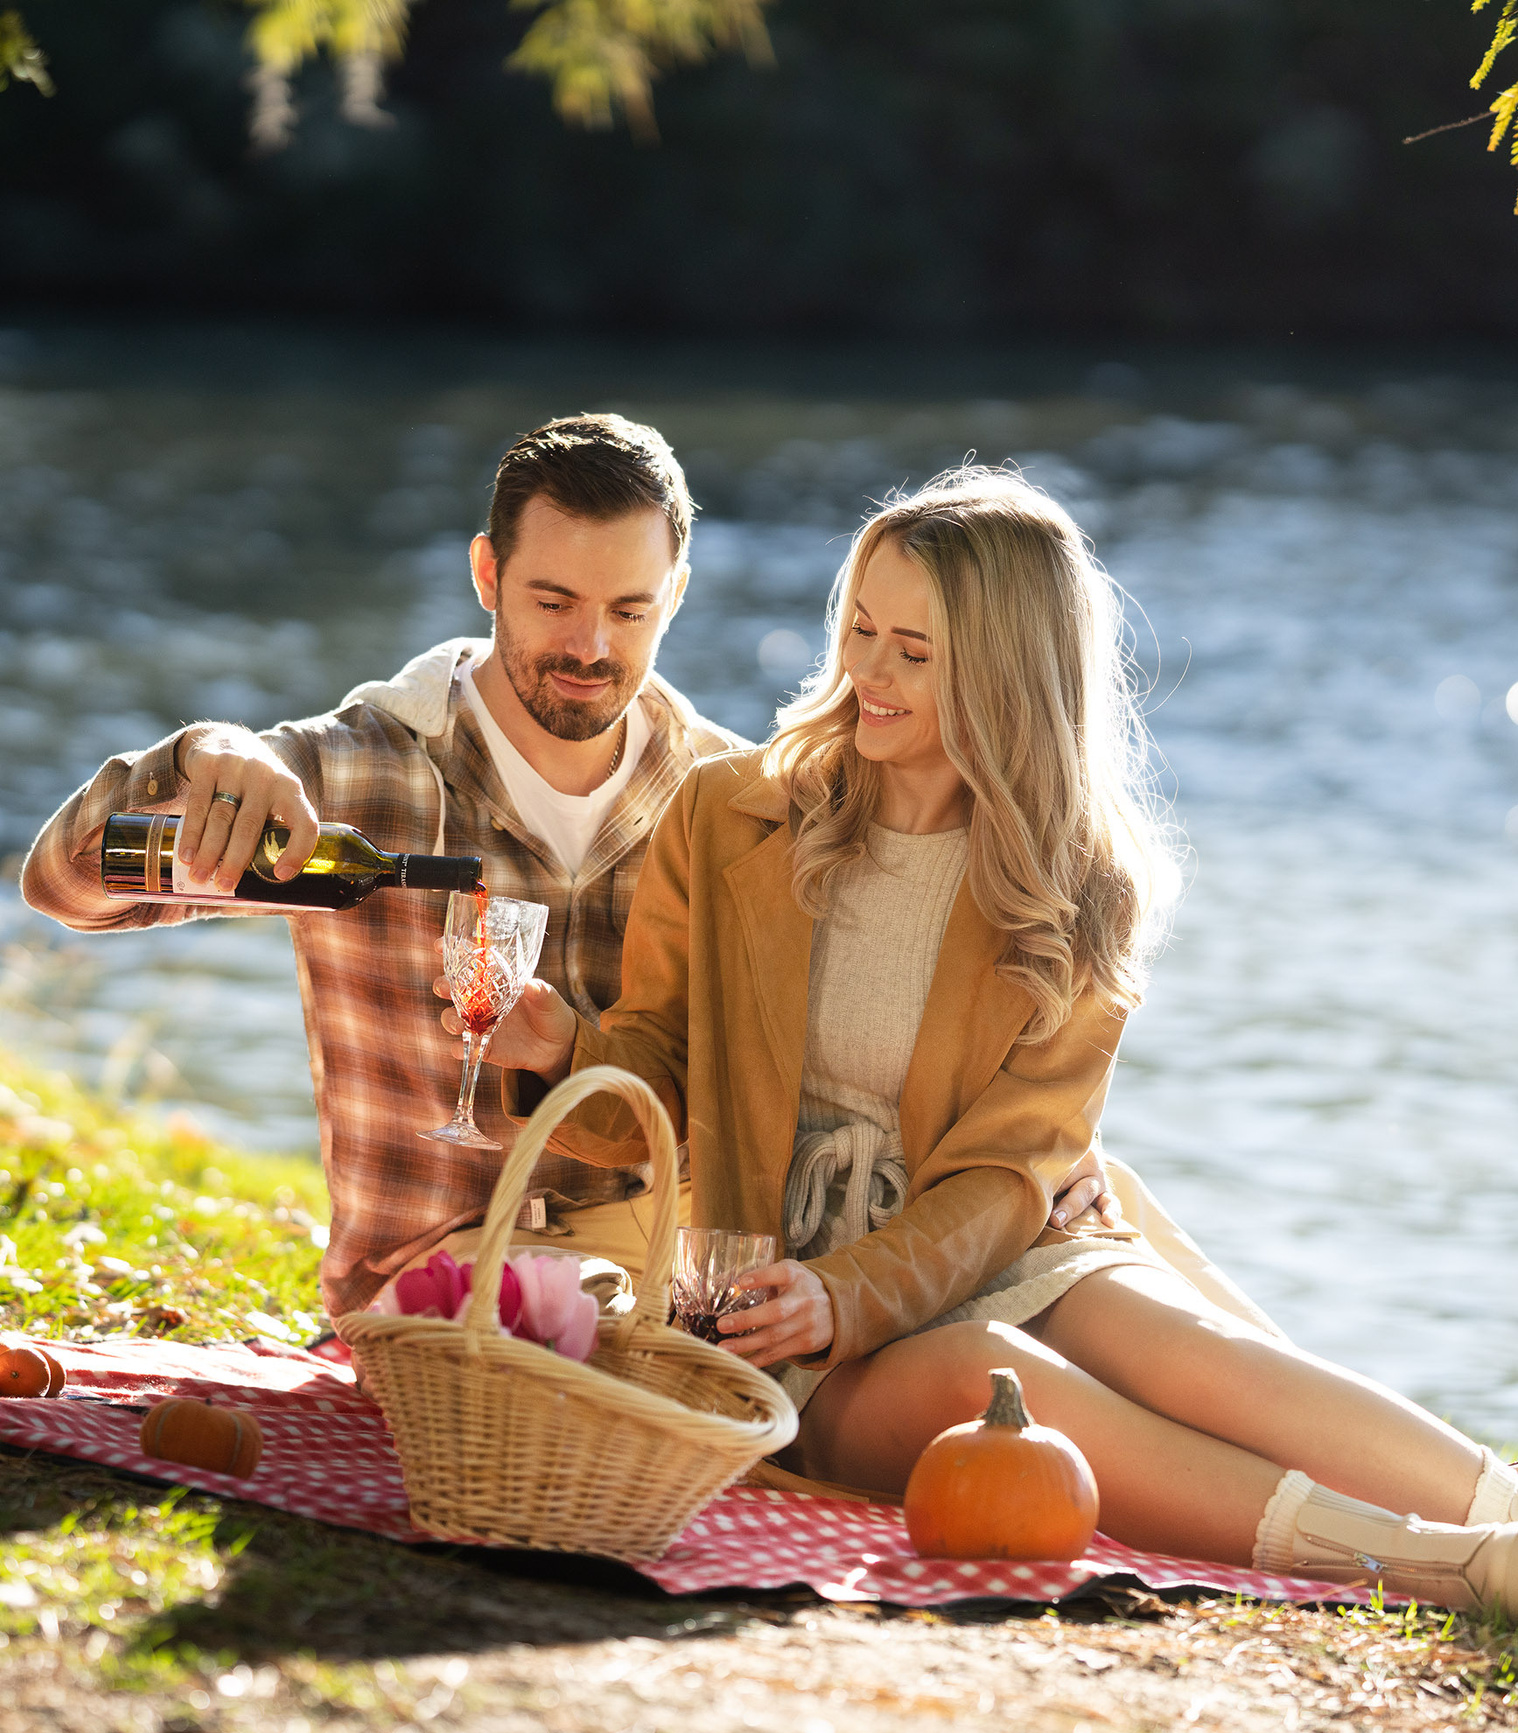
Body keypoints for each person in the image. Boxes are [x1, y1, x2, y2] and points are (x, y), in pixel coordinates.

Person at [473, 465, 1518, 1612]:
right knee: (990, 1389)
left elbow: (1006, 1173)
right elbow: (659, 1073)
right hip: (780, 1302)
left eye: (913, 652)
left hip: (990, 1243)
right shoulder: (730, 813)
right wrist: (566, 1051)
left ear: (1007, 674)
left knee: (1184, 1350)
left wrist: (864, 1286)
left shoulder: (1077, 887)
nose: (866, 673)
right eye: (860, 629)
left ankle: (1499, 1509)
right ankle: (1440, 1568)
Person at [22, 415, 1117, 1321]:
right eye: (552, 602)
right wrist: (205, 752)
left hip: (690, 1250)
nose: (589, 646)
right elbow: (65, 886)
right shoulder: (354, 780)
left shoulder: (738, 801)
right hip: (444, 1273)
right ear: (486, 574)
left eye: (629, 609)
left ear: (676, 595)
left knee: (1083, 1235)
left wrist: (1035, 1154)